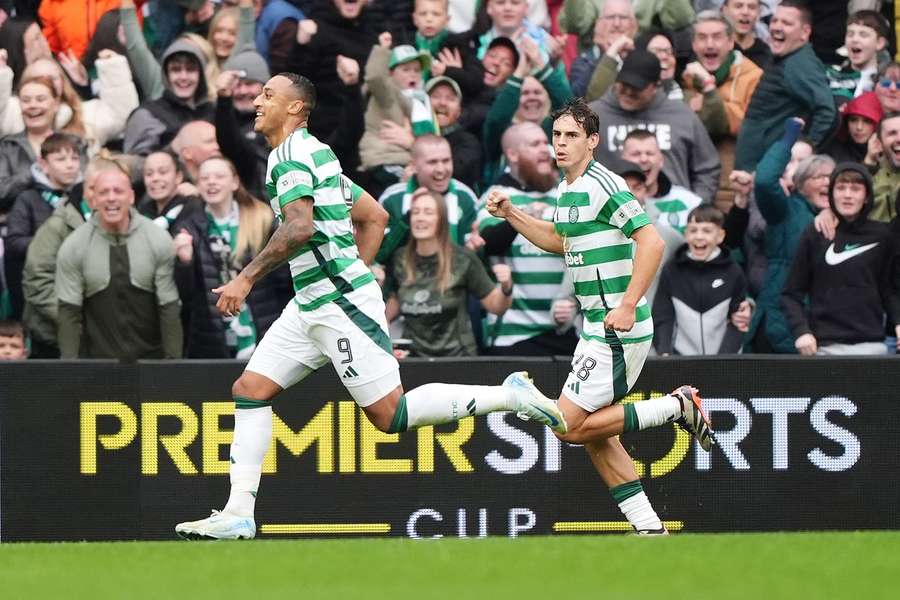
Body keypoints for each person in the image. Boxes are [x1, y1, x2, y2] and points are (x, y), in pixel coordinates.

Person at [174, 72, 567, 540]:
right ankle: (238, 514)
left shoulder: (292, 157)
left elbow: (299, 228)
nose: (257, 102)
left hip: (335, 302)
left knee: (391, 417)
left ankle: (510, 395)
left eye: (267, 95)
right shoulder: (314, 153)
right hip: (314, 301)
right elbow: (375, 216)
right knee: (250, 389)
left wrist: (246, 277)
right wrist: (354, 270)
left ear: (296, 108)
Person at [485, 98, 714, 536]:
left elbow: (652, 243)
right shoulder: (569, 186)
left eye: (572, 135)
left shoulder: (604, 184)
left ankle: (675, 406)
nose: (561, 143)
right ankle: (650, 530)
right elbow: (559, 239)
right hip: (596, 326)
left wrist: (627, 304)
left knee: (568, 426)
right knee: (594, 435)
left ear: (593, 140)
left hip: (616, 327)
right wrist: (512, 213)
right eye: (556, 135)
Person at [55, 166, 183, 360]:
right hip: (97, 365)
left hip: (151, 363)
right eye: (104, 192)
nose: (111, 198)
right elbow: (69, 314)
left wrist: (173, 365)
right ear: (94, 200)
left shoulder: (158, 239)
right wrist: (70, 369)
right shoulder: (74, 246)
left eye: (118, 191)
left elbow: (169, 308)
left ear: (131, 197)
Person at [174, 156, 292, 358]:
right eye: (204, 178)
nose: (211, 182)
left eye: (219, 176)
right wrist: (184, 262)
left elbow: (284, 281)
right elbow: (186, 295)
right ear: (198, 185)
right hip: (213, 336)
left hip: (263, 324)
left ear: (234, 182)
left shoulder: (262, 219)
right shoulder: (187, 226)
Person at [477, 122, 575, 355]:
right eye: (534, 144)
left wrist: (574, 305)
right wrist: (519, 216)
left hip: (563, 328)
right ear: (512, 154)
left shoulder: (567, 194)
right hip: (513, 335)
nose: (545, 149)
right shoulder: (497, 196)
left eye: (545, 142)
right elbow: (491, 242)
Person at [782, 163, 897, 355]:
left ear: (867, 195)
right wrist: (801, 331)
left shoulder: (882, 235)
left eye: (855, 188)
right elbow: (791, 293)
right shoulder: (815, 233)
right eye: (841, 188)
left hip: (873, 346)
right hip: (825, 348)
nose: (847, 195)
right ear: (831, 193)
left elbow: (889, 290)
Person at [384, 188, 513, 357]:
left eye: (428, 212)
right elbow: (387, 314)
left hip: (457, 359)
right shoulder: (399, 259)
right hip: (415, 360)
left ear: (441, 220)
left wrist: (507, 286)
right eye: (415, 212)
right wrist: (387, 349)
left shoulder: (462, 259)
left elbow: (496, 307)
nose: (420, 218)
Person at [748, 118, 835, 353]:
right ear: (800, 184)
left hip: (824, 325)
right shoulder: (785, 210)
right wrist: (789, 137)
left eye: (832, 178)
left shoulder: (843, 219)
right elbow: (765, 180)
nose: (827, 183)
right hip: (779, 323)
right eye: (818, 177)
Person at [589, 50, 721, 204]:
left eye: (637, 87)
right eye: (624, 84)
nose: (629, 92)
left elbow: (707, 168)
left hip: (672, 216)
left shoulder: (681, 115)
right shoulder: (593, 117)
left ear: (655, 86)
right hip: (607, 216)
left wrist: (695, 207)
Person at [21, 154, 112, 359]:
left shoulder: (124, 226)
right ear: (86, 187)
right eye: (95, 188)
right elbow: (37, 281)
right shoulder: (58, 226)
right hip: (54, 339)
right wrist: (77, 321)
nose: (103, 196)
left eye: (109, 189)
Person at [734, 0, 837, 171]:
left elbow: (827, 112)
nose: (777, 27)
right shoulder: (784, 58)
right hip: (755, 172)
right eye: (775, 21)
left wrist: (804, 149)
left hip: (769, 175)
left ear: (805, 33)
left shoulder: (800, 64)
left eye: (787, 23)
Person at [681, 11, 762, 208]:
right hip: (692, 181)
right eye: (702, 38)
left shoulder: (753, 76)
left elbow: (746, 127)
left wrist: (709, 97)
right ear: (693, 44)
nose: (710, 44)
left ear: (730, 42)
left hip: (734, 183)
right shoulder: (689, 77)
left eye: (717, 37)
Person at [4, 132, 83, 320]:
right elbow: (14, 242)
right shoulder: (28, 199)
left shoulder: (84, 199)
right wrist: (51, 244)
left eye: (74, 158)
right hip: (38, 287)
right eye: (61, 159)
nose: (70, 165)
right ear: (43, 164)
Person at [653, 205, 749, 356]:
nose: (699, 236)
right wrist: (664, 351)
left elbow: (738, 322)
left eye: (706, 231)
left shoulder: (733, 271)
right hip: (681, 362)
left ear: (720, 236)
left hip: (723, 364)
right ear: (685, 234)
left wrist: (723, 361)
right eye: (693, 230)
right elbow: (663, 314)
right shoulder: (671, 270)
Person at [0, 52, 139, 154]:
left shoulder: (86, 115)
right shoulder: (14, 113)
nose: (47, 84)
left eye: (52, 78)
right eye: (37, 79)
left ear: (63, 82)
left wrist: (113, 69)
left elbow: (122, 117)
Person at [482, 35, 572, 183]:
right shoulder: (503, 135)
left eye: (537, 92)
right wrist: (519, 72)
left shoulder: (553, 131)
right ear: (513, 99)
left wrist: (541, 65)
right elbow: (495, 121)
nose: (532, 98)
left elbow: (571, 110)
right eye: (525, 93)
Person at [376, 135, 479, 263]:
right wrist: (407, 219)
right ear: (413, 165)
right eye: (432, 162)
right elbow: (380, 256)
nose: (441, 169)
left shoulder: (465, 197)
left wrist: (474, 249)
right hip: (405, 279)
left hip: (453, 280)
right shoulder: (393, 199)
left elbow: (476, 259)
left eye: (446, 161)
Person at [359, 34, 436, 197]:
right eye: (406, 69)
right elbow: (375, 78)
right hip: (384, 161)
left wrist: (412, 143)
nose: (413, 74)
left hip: (409, 162)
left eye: (416, 70)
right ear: (391, 74)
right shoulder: (388, 94)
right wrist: (383, 50)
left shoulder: (422, 100)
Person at [123, 38, 215, 155]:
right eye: (176, 70)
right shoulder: (147, 114)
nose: (183, 77)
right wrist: (171, 149)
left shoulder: (214, 111)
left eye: (191, 69)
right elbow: (133, 165)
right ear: (166, 76)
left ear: (201, 75)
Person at [620, 129, 702, 235]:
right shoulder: (610, 203)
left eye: (649, 153)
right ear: (622, 160)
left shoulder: (690, 202)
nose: (643, 159)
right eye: (636, 154)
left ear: (661, 160)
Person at [214, 47, 271, 199]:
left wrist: (224, 99)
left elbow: (235, 148)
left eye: (250, 83)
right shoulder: (218, 116)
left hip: (263, 207)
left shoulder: (275, 124)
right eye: (237, 85)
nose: (243, 91)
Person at [565, 0, 638, 99]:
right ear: (598, 24)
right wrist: (606, 56)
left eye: (623, 17)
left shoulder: (645, 54)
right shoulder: (586, 60)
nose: (616, 24)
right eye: (610, 17)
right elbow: (578, 98)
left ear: (634, 25)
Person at [426, 75, 482, 190]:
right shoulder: (406, 133)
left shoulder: (468, 142)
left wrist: (411, 145)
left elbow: (454, 174)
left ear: (459, 111)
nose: (442, 103)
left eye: (450, 99)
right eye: (436, 96)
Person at [825, 10, 889, 102]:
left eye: (863, 35)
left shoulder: (887, 83)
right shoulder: (830, 76)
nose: (854, 39)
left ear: (879, 43)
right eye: (850, 34)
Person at [137, 149, 202, 235]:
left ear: (178, 177)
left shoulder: (193, 206)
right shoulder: (142, 212)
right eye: (149, 174)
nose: (155, 178)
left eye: (163, 172)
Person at [822, 92, 883, 164]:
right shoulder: (832, 150)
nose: (859, 127)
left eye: (867, 121)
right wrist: (869, 161)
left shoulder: (889, 152)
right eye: (853, 120)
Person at [721, 0, 772, 69]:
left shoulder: (768, 56)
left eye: (751, 7)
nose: (745, 12)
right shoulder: (715, 52)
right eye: (738, 6)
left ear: (759, 12)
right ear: (725, 10)